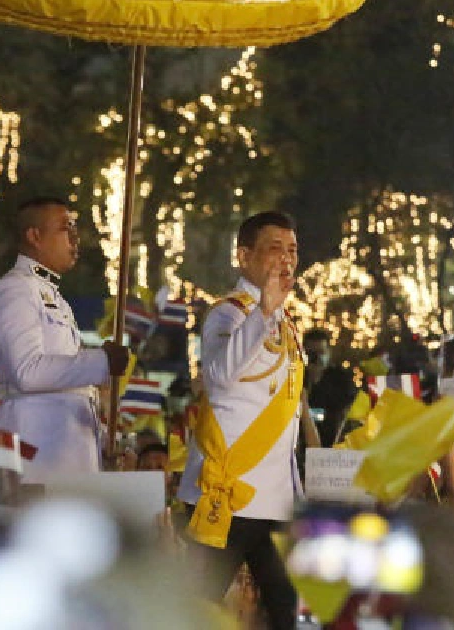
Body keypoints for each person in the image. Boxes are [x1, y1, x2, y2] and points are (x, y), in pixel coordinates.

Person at [179, 211, 303, 629]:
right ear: (244, 256)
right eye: (275, 248)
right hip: (228, 495)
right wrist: (263, 310)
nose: (286, 259)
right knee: (197, 611)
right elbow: (217, 376)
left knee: (285, 611)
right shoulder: (228, 314)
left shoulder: (284, 320)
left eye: (292, 250)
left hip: (274, 498)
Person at [0, 196, 129, 479]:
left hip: (65, 455)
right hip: (37, 452)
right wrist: (101, 362)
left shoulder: (54, 297)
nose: (75, 237)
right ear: (35, 236)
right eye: (65, 228)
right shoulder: (15, 289)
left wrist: (102, 441)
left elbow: (70, 389)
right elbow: (27, 371)